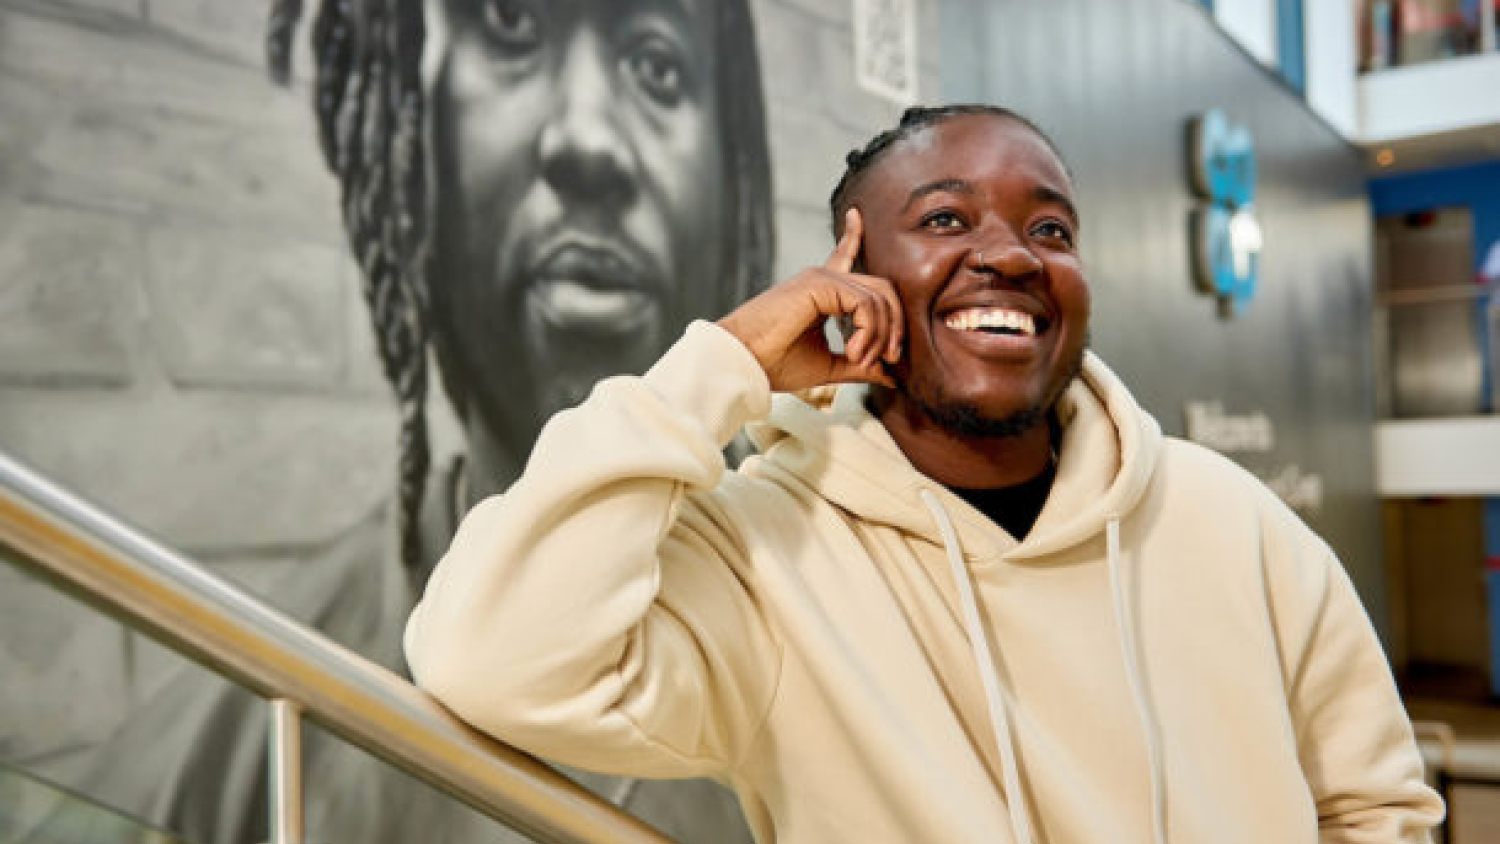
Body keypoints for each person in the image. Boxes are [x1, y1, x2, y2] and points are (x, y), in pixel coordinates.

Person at [406, 105, 1447, 843]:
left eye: (1050, 229)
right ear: (851, 280)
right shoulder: (764, 557)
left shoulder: (1234, 522)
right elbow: (491, 659)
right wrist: (724, 364)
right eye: (947, 219)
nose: (1012, 255)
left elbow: (1375, 807)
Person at [28, 2, 771, 843]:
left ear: (732, 175)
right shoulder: (246, 725)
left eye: (658, 65)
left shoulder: (845, 603)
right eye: (512, 26)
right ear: (407, 129)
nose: (588, 139)